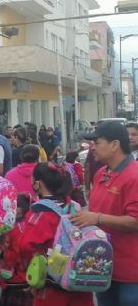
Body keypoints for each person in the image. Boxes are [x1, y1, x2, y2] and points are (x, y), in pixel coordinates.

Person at [72, 122, 138, 306]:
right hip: (101, 267)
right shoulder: (101, 173)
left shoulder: (134, 175)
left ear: (115, 145)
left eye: (97, 142)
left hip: (130, 272)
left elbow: (135, 220)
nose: (92, 147)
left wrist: (97, 217)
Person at [19, 163, 93, 306]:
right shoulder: (74, 206)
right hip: (80, 279)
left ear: (37, 184)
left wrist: (32, 274)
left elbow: (26, 247)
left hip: (54, 284)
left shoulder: (41, 212)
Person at [0, 193, 32, 306]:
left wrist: (1, 254)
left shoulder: (12, 228)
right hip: (30, 277)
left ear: (20, 209)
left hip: (15, 279)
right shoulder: (30, 223)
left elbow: (14, 254)